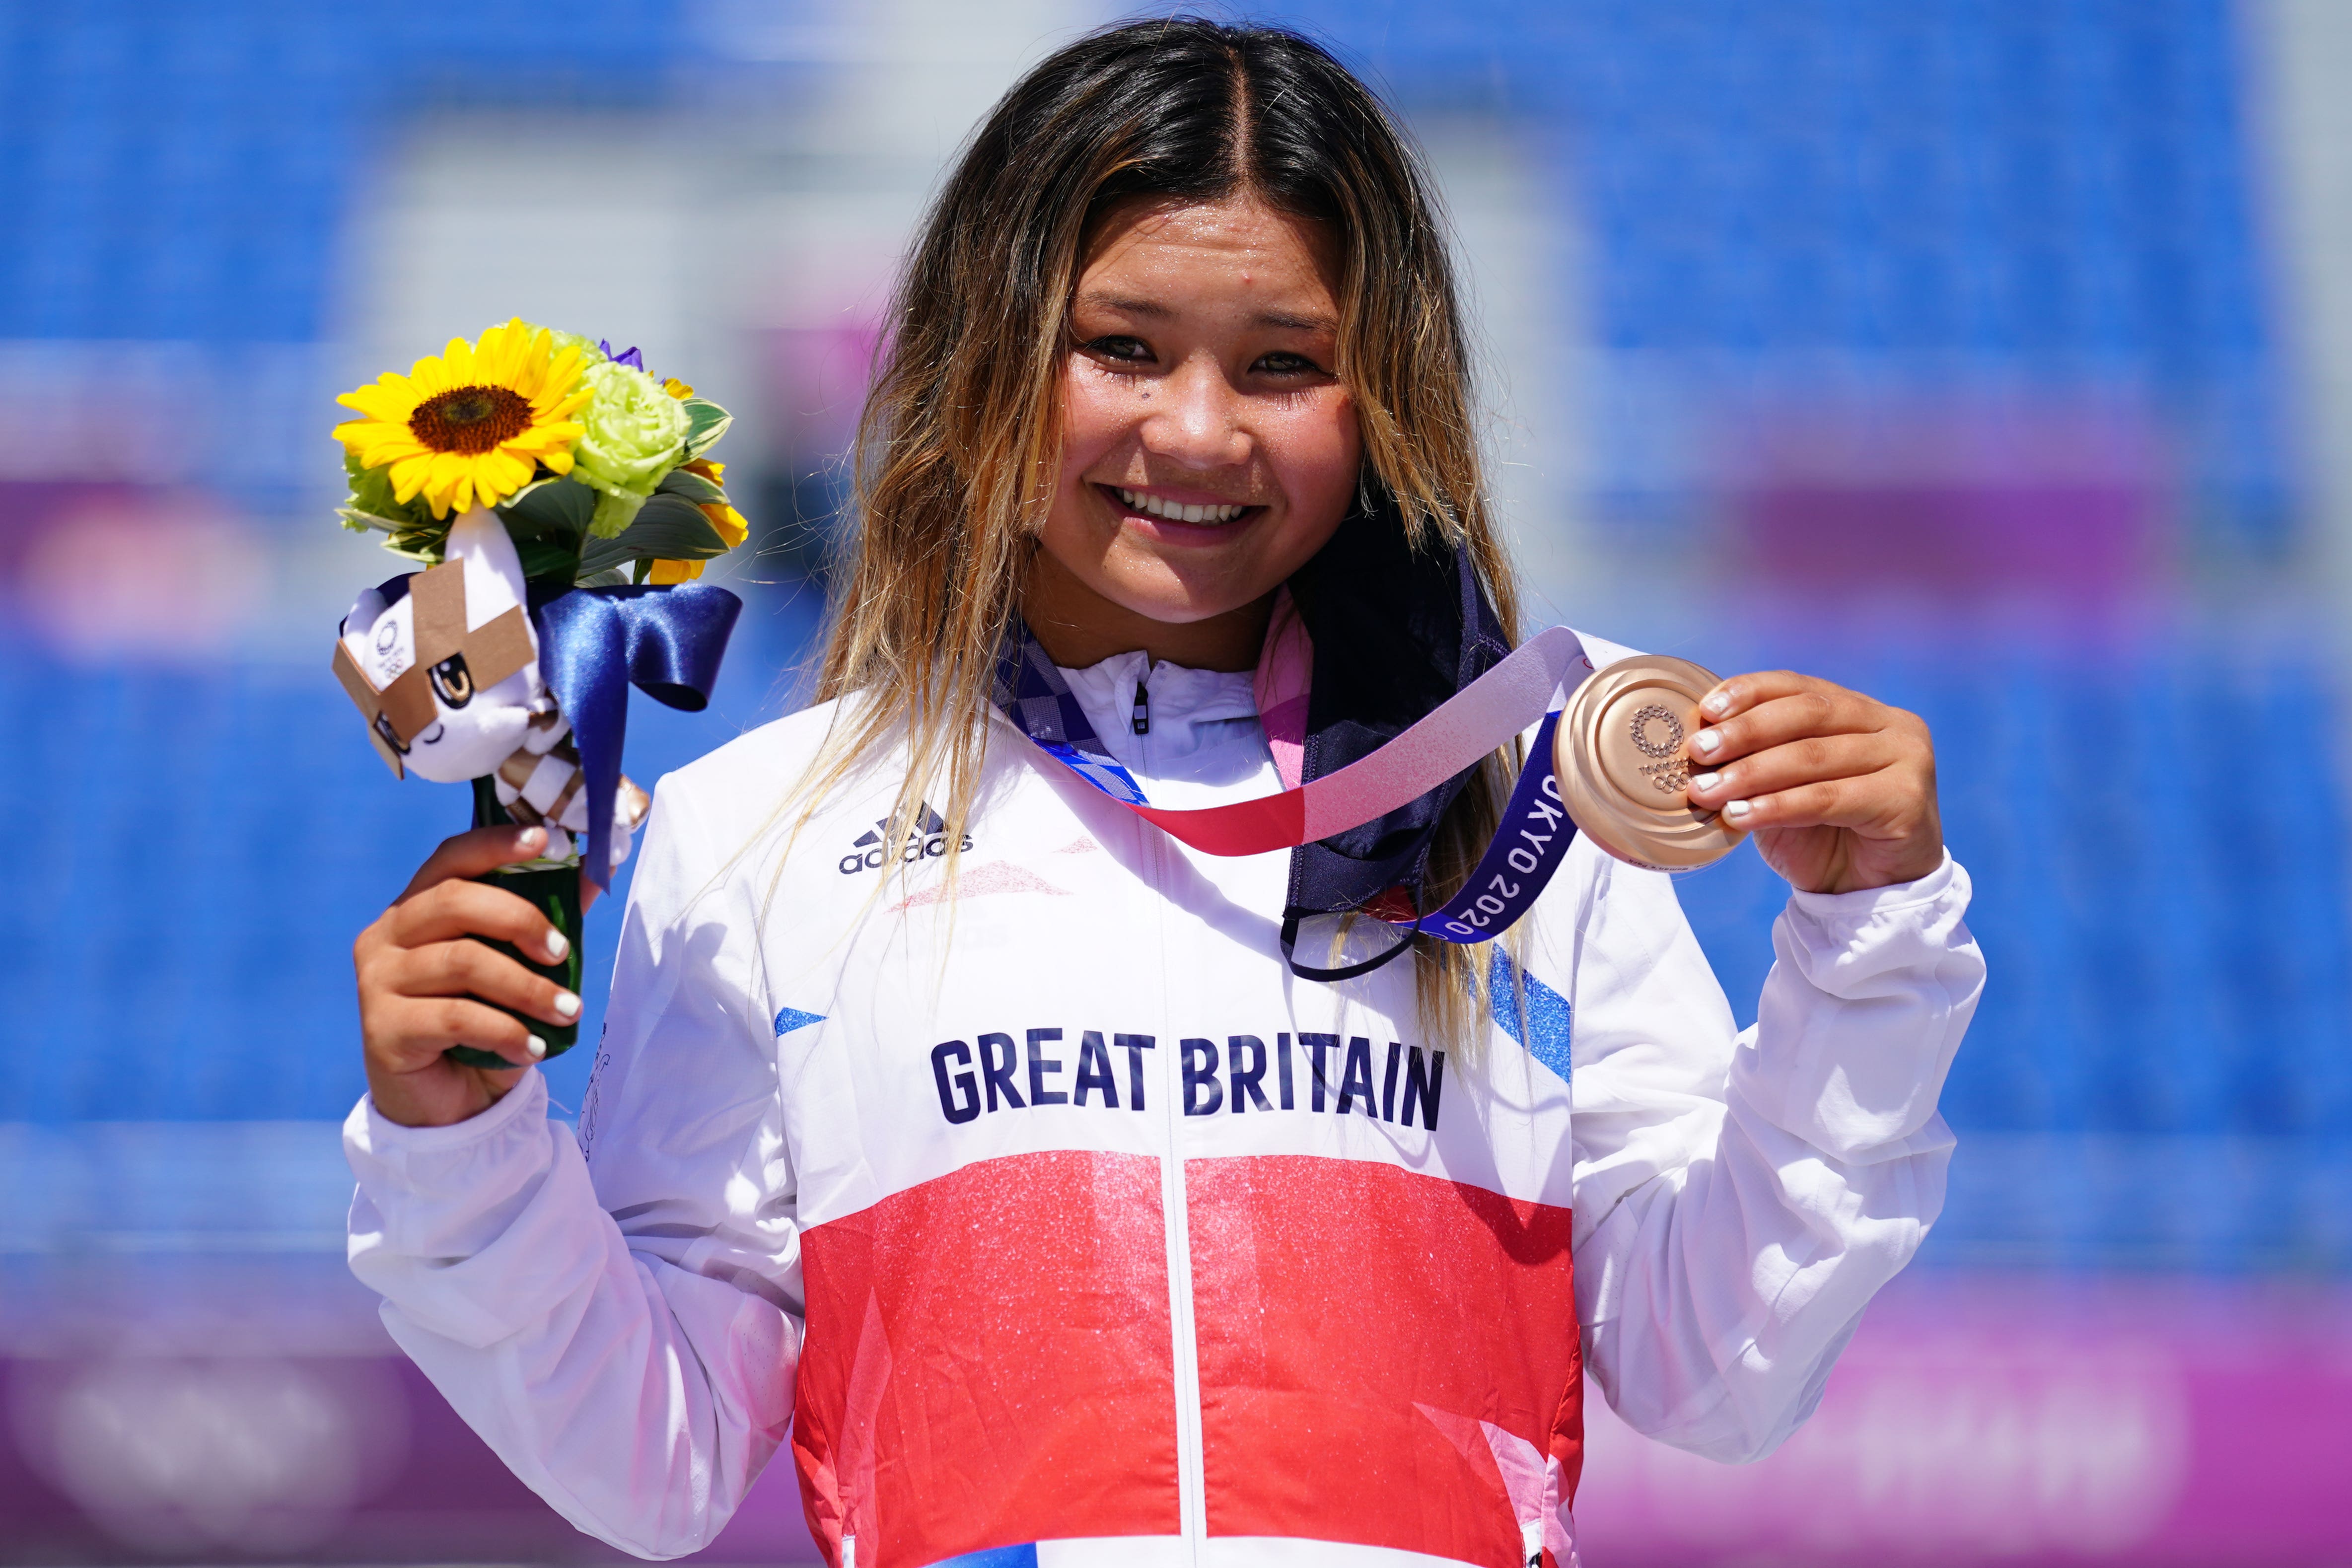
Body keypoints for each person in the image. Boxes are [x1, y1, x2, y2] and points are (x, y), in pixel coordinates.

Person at [344, 19, 1981, 1568]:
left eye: (1284, 364)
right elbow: (661, 1459)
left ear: (1382, 393)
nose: (1196, 432)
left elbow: (1718, 1370)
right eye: (1118, 347)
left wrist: (1865, 952)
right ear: (987, 360)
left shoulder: (1527, 789)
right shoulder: (762, 831)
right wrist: (461, 1147)